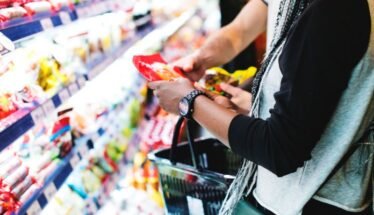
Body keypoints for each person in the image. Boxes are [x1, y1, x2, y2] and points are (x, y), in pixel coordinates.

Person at [148, 0, 374, 214]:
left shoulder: (333, 12)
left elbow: (280, 149)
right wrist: (252, 106)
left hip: (309, 200)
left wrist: (191, 102)